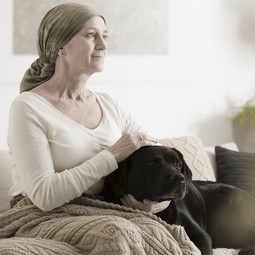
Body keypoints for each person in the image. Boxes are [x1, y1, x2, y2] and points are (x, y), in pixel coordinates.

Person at [8, 3, 169, 213]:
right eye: (91, 35)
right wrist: (112, 155)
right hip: (39, 214)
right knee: (120, 235)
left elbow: (160, 155)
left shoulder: (108, 105)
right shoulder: (27, 107)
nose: (103, 45)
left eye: (105, 36)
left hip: (102, 210)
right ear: (61, 46)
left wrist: (158, 201)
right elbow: (44, 196)